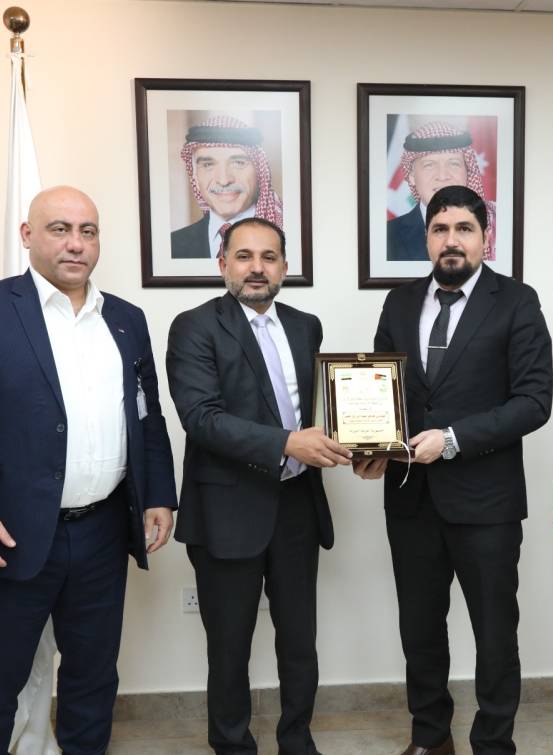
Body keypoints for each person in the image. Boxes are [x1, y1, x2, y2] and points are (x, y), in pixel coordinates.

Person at [0, 186, 177, 755]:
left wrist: (158, 494)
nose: (76, 243)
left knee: (93, 681)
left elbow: (146, 418)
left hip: (103, 533)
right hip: (3, 535)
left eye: (88, 231)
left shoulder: (126, 320)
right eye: (60, 229)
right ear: (28, 235)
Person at [356, 185, 552, 755]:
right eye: (440, 229)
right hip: (410, 499)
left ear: (484, 237)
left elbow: (533, 402)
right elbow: (382, 393)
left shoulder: (516, 301)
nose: (451, 240)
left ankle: (493, 743)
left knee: (494, 632)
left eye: (464, 228)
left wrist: (452, 440)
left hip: (487, 504)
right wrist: (372, 448)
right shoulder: (398, 303)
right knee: (420, 630)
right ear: (426, 239)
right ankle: (430, 737)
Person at [167, 217, 352, 754]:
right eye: (244, 256)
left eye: (268, 257)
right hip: (228, 511)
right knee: (229, 648)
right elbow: (202, 418)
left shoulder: (306, 325)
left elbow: (320, 411)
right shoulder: (194, 327)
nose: (256, 268)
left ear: (285, 267)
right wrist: (287, 443)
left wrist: (363, 444)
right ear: (222, 263)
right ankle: (232, 745)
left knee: (300, 643)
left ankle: (297, 740)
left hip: (297, 507)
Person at [171, 115, 284, 259]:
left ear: (259, 172)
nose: (224, 180)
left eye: (238, 163)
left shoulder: (290, 236)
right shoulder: (173, 246)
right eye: (208, 165)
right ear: (195, 176)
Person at [388, 121, 497, 262]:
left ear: (468, 172)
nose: (443, 175)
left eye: (453, 163)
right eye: (429, 165)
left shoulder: (496, 226)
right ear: (412, 177)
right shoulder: (387, 236)